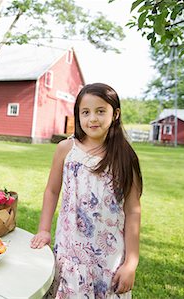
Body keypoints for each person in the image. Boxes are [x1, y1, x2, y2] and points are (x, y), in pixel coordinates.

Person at [30, 83, 142, 298]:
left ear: (115, 114)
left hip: (109, 258)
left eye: (101, 111)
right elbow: (52, 191)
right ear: (78, 115)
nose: (93, 118)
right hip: (70, 250)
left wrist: (131, 263)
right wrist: (44, 229)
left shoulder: (125, 157)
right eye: (86, 112)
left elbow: (133, 211)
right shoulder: (66, 149)